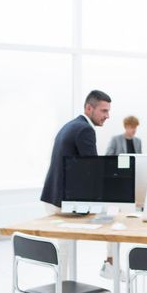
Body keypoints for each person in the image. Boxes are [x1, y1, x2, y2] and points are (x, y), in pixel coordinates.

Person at [41, 90, 111, 279]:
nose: (107, 116)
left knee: (64, 246)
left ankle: (61, 288)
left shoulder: (70, 125)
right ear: (89, 108)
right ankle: (110, 265)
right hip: (63, 201)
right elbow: (92, 168)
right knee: (112, 217)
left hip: (53, 195)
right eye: (103, 111)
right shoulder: (85, 129)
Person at [100, 115, 142, 280]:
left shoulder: (138, 141)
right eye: (131, 127)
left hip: (130, 185)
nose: (133, 131)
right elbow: (108, 158)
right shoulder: (116, 139)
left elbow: (139, 160)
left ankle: (112, 264)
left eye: (135, 128)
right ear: (126, 126)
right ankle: (110, 262)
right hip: (115, 186)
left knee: (124, 224)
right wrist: (121, 164)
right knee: (114, 223)